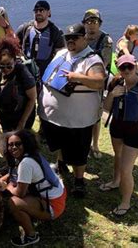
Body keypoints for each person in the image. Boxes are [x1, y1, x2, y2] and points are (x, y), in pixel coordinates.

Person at [38, 23, 105, 197]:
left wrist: (78, 77)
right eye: (68, 38)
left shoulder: (92, 59)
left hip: (78, 120)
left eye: (75, 37)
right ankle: (61, 165)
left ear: (85, 38)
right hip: (55, 117)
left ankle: (79, 180)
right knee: (59, 144)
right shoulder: (61, 53)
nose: (70, 41)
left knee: (78, 152)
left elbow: (99, 81)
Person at [0, 130, 66, 247]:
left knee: (14, 202)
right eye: (10, 144)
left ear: (26, 143)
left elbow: (20, 193)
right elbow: (13, 173)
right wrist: (0, 180)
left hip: (54, 205)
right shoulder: (31, 155)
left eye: (18, 144)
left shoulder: (26, 163)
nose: (13, 147)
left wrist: (4, 186)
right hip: (59, 194)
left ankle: (31, 236)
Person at [101, 54, 138, 216]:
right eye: (122, 67)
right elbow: (106, 107)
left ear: (136, 67)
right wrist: (112, 95)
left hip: (135, 132)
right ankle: (115, 181)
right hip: (117, 127)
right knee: (117, 156)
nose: (126, 70)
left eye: (129, 67)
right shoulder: (116, 82)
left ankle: (126, 202)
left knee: (126, 169)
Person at [82, 8, 114, 159]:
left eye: (94, 21)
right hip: (81, 82)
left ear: (99, 24)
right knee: (81, 113)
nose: (91, 25)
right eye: (88, 21)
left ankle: (94, 144)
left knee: (95, 115)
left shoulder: (106, 41)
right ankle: (83, 143)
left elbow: (102, 63)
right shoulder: (80, 36)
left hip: (97, 84)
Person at [0, 37, 37, 132]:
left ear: (14, 60)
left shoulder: (23, 73)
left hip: (22, 114)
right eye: (2, 66)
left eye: (9, 65)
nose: (6, 69)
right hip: (5, 114)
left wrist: (22, 122)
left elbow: (32, 98)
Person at [16, 0, 65, 76]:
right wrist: (20, 58)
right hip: (26, 70)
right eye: (36, 11)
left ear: (49, 13)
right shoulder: (25, 28)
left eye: (41, 10)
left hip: (46, 71)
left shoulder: (55, 32)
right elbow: (13, 44)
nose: (38, 13)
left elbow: (60, 54)